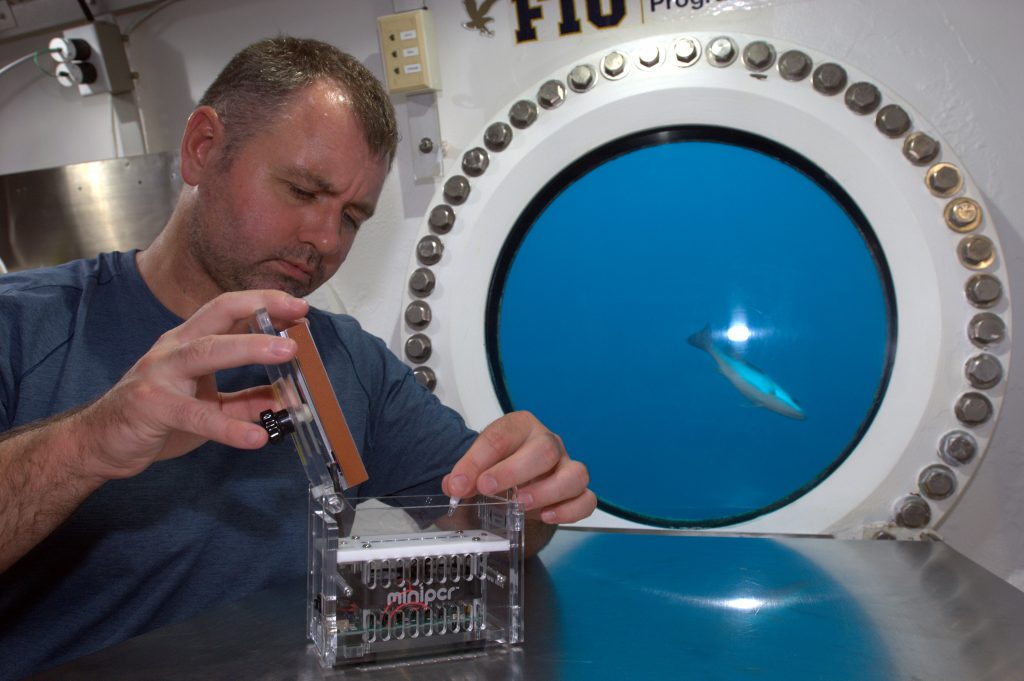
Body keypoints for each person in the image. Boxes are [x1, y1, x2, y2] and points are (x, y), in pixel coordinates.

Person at [0, 36, 596, 679]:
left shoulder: (348, 364)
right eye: (302, 191)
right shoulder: (26, 327)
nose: (324, 239)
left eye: (352, 217)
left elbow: (491, 520)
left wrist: (522, 495)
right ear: (204, 149)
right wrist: (92, 441)